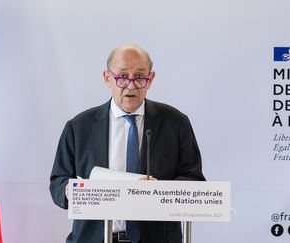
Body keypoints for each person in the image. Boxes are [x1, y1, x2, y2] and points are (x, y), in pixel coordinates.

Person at [50, 44, 205, 243]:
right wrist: (70, 191)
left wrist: (161, 191)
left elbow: (194, 180)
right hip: (94, 238)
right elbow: (57, 181)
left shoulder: (175, 123)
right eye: (122, 77)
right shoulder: (79, 127)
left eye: (139, 77)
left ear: (151, 79)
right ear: (107, 78)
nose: (131, 86)